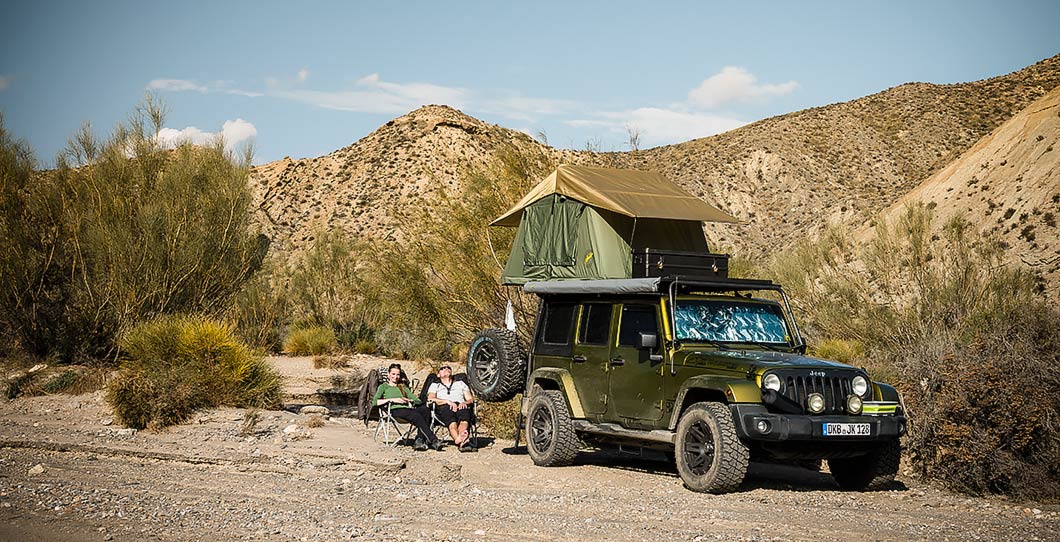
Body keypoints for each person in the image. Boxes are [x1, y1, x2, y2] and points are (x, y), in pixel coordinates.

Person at [372, 363, 442, 451]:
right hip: (394, 410)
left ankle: (419, 440)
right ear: (388, 375)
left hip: (408, 410)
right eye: (393, 374)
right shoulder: (384, 387)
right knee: (415, 415)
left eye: (398, 374)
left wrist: (409, 400)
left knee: (425, 410)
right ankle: (433, 440)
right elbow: (375, 402)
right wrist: (393, 399)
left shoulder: (403, 387)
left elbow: (417, 400)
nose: (396, 376)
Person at [427, 365, 475, 452]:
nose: (446, 369)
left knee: (464, 419)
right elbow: (431, 398)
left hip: (461, 404)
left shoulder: (460, 383)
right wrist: (447, 401)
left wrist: (465, 402)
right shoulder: (435, 385)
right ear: (438, 375)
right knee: (452, 422)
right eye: (442, 368)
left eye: (448, 367)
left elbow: (470, 399)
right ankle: (462, 441)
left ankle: (459, 440)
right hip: (444, 406)